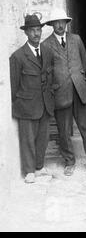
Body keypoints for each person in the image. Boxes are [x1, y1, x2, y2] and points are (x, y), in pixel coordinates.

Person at [42, 8, 86, 177]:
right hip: (60, 93)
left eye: (62, 22)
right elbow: (46, 72)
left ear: (66, 23)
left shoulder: (76, 39)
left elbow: (84, 63)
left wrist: (77, 78)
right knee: (63, 131)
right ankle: (69, 162)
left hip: (80, 90)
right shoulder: (46, 45)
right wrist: (58, 84)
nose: (59, 25)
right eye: (56, 22)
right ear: (51, 25)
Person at [9, 14, 54, 183]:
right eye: (32, 30)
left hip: (45, 103)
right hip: (26, 105)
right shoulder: (18, 56)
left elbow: (50, 77)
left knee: (43, 137)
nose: (36, 33)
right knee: (27, 139)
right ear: (26, 33)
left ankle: (39, 167)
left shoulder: (47, 52)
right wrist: (19, 104)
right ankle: (29, 171)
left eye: (38, 30)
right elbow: (14, 85)